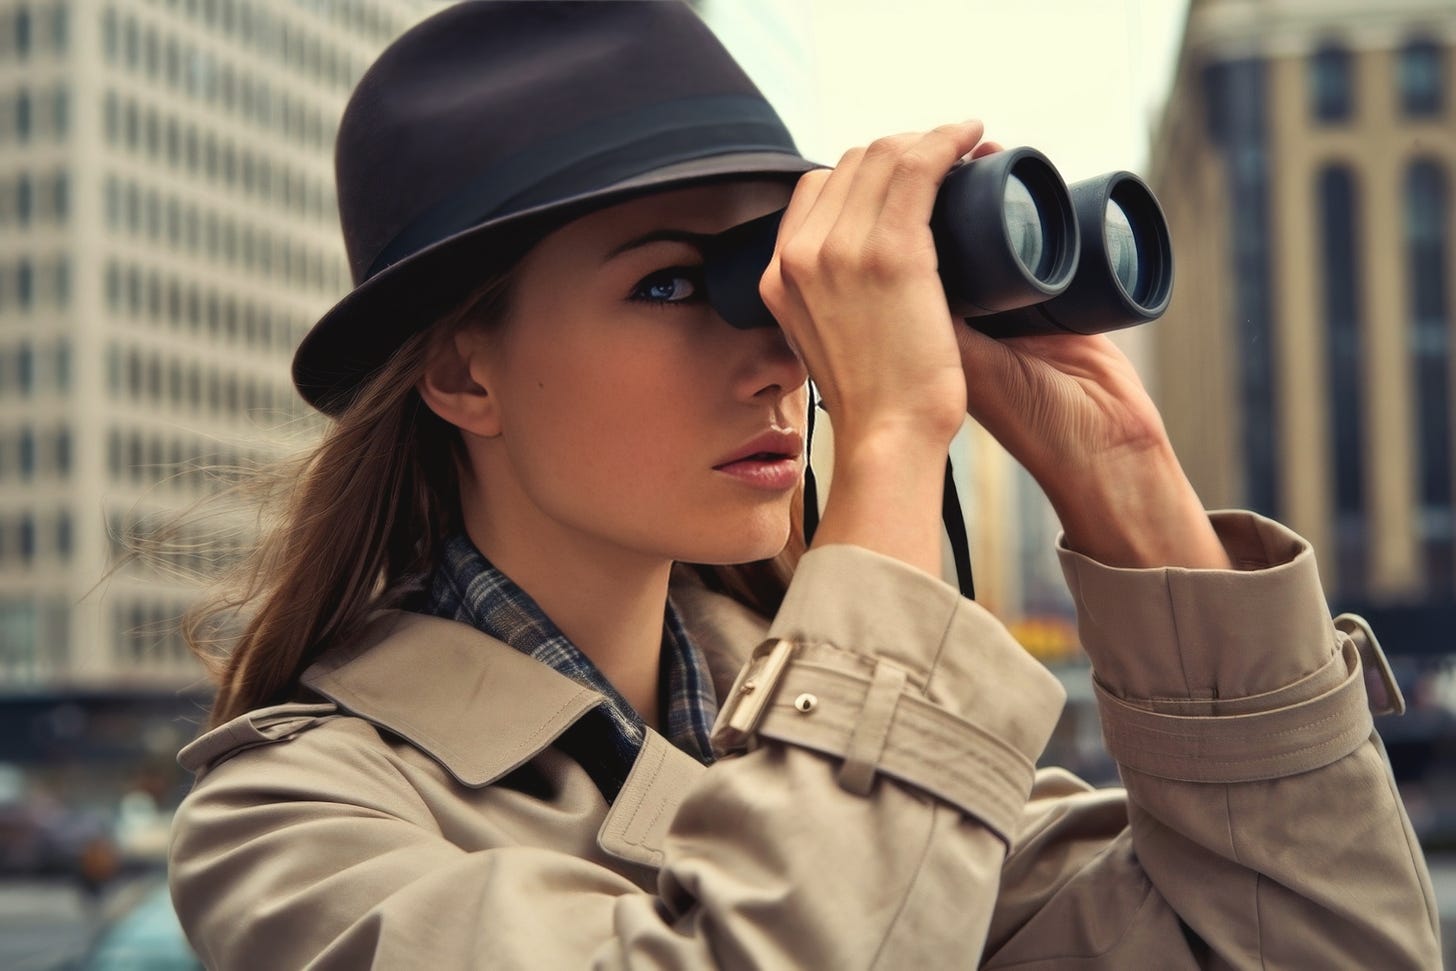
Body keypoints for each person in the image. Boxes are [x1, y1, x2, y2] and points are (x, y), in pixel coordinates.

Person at [166, 2, 1441, 968]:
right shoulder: (294, 821)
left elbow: (1320, 938)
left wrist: (1123, 475)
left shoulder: (866, 744)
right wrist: (891, 443)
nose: (780, 348)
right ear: (462, 370)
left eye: (777, 279)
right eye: (673, 283)